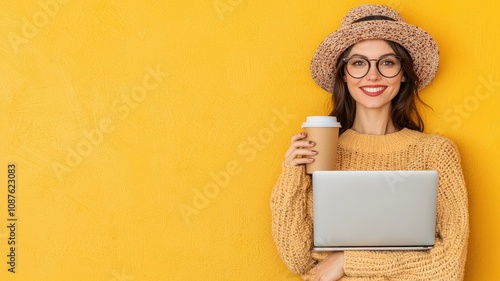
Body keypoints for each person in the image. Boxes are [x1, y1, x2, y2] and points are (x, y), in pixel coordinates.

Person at [270, 4, 469, 281]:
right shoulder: (321, 151)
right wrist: (292, 174)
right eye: (359, 63)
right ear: (344, 74)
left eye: (387, 62)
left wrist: (346, 261)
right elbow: (299, 259)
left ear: (403, 74)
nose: (372, 75)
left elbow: (448, 268)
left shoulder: (435, 152)